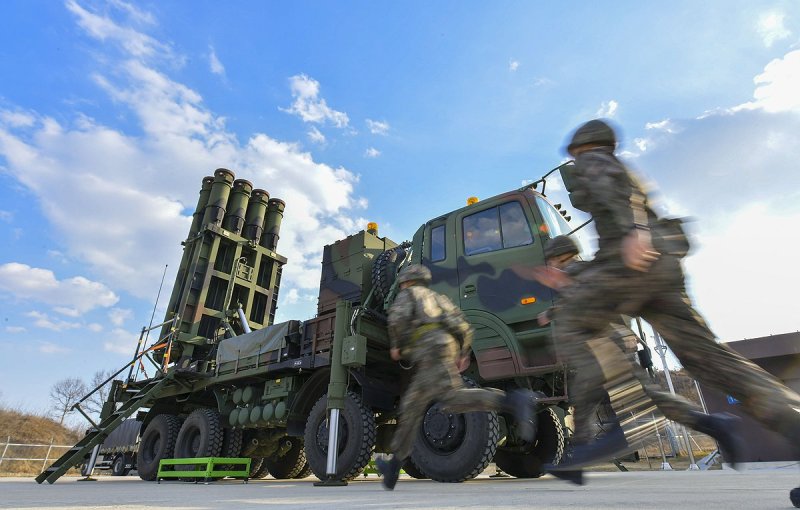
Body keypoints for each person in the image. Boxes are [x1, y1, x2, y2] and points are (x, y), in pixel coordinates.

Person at [542, 119, 800, 504]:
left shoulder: (595, 161)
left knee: (571, 321)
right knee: (713, 362)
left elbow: (617, 194)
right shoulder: (623, 168)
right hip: (661, 263)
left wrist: (633, 232)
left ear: (583, 146)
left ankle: (625, 423)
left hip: (632, 262)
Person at [537, 235, 738, 485]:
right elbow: (584, 303)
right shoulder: (579, 273)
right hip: (602, 348)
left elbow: (592, 305)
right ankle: (715, 425)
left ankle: (578, 460)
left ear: (560, 256)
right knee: (646, 397)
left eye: (552, 259)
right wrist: (553, 312)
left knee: (588, 397)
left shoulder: (577, 272)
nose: (551, 265)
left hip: (602, 349)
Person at [375, 264, 537, 490]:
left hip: (429, 347)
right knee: (412, 406)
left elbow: (397, 318)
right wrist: (462, 352)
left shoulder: (409, 293)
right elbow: (462, 324)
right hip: (445, 346)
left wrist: (397, 345)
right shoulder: (438, 297)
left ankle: (511, 401)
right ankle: (393, 467)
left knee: (451, 399)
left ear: (407, 281)